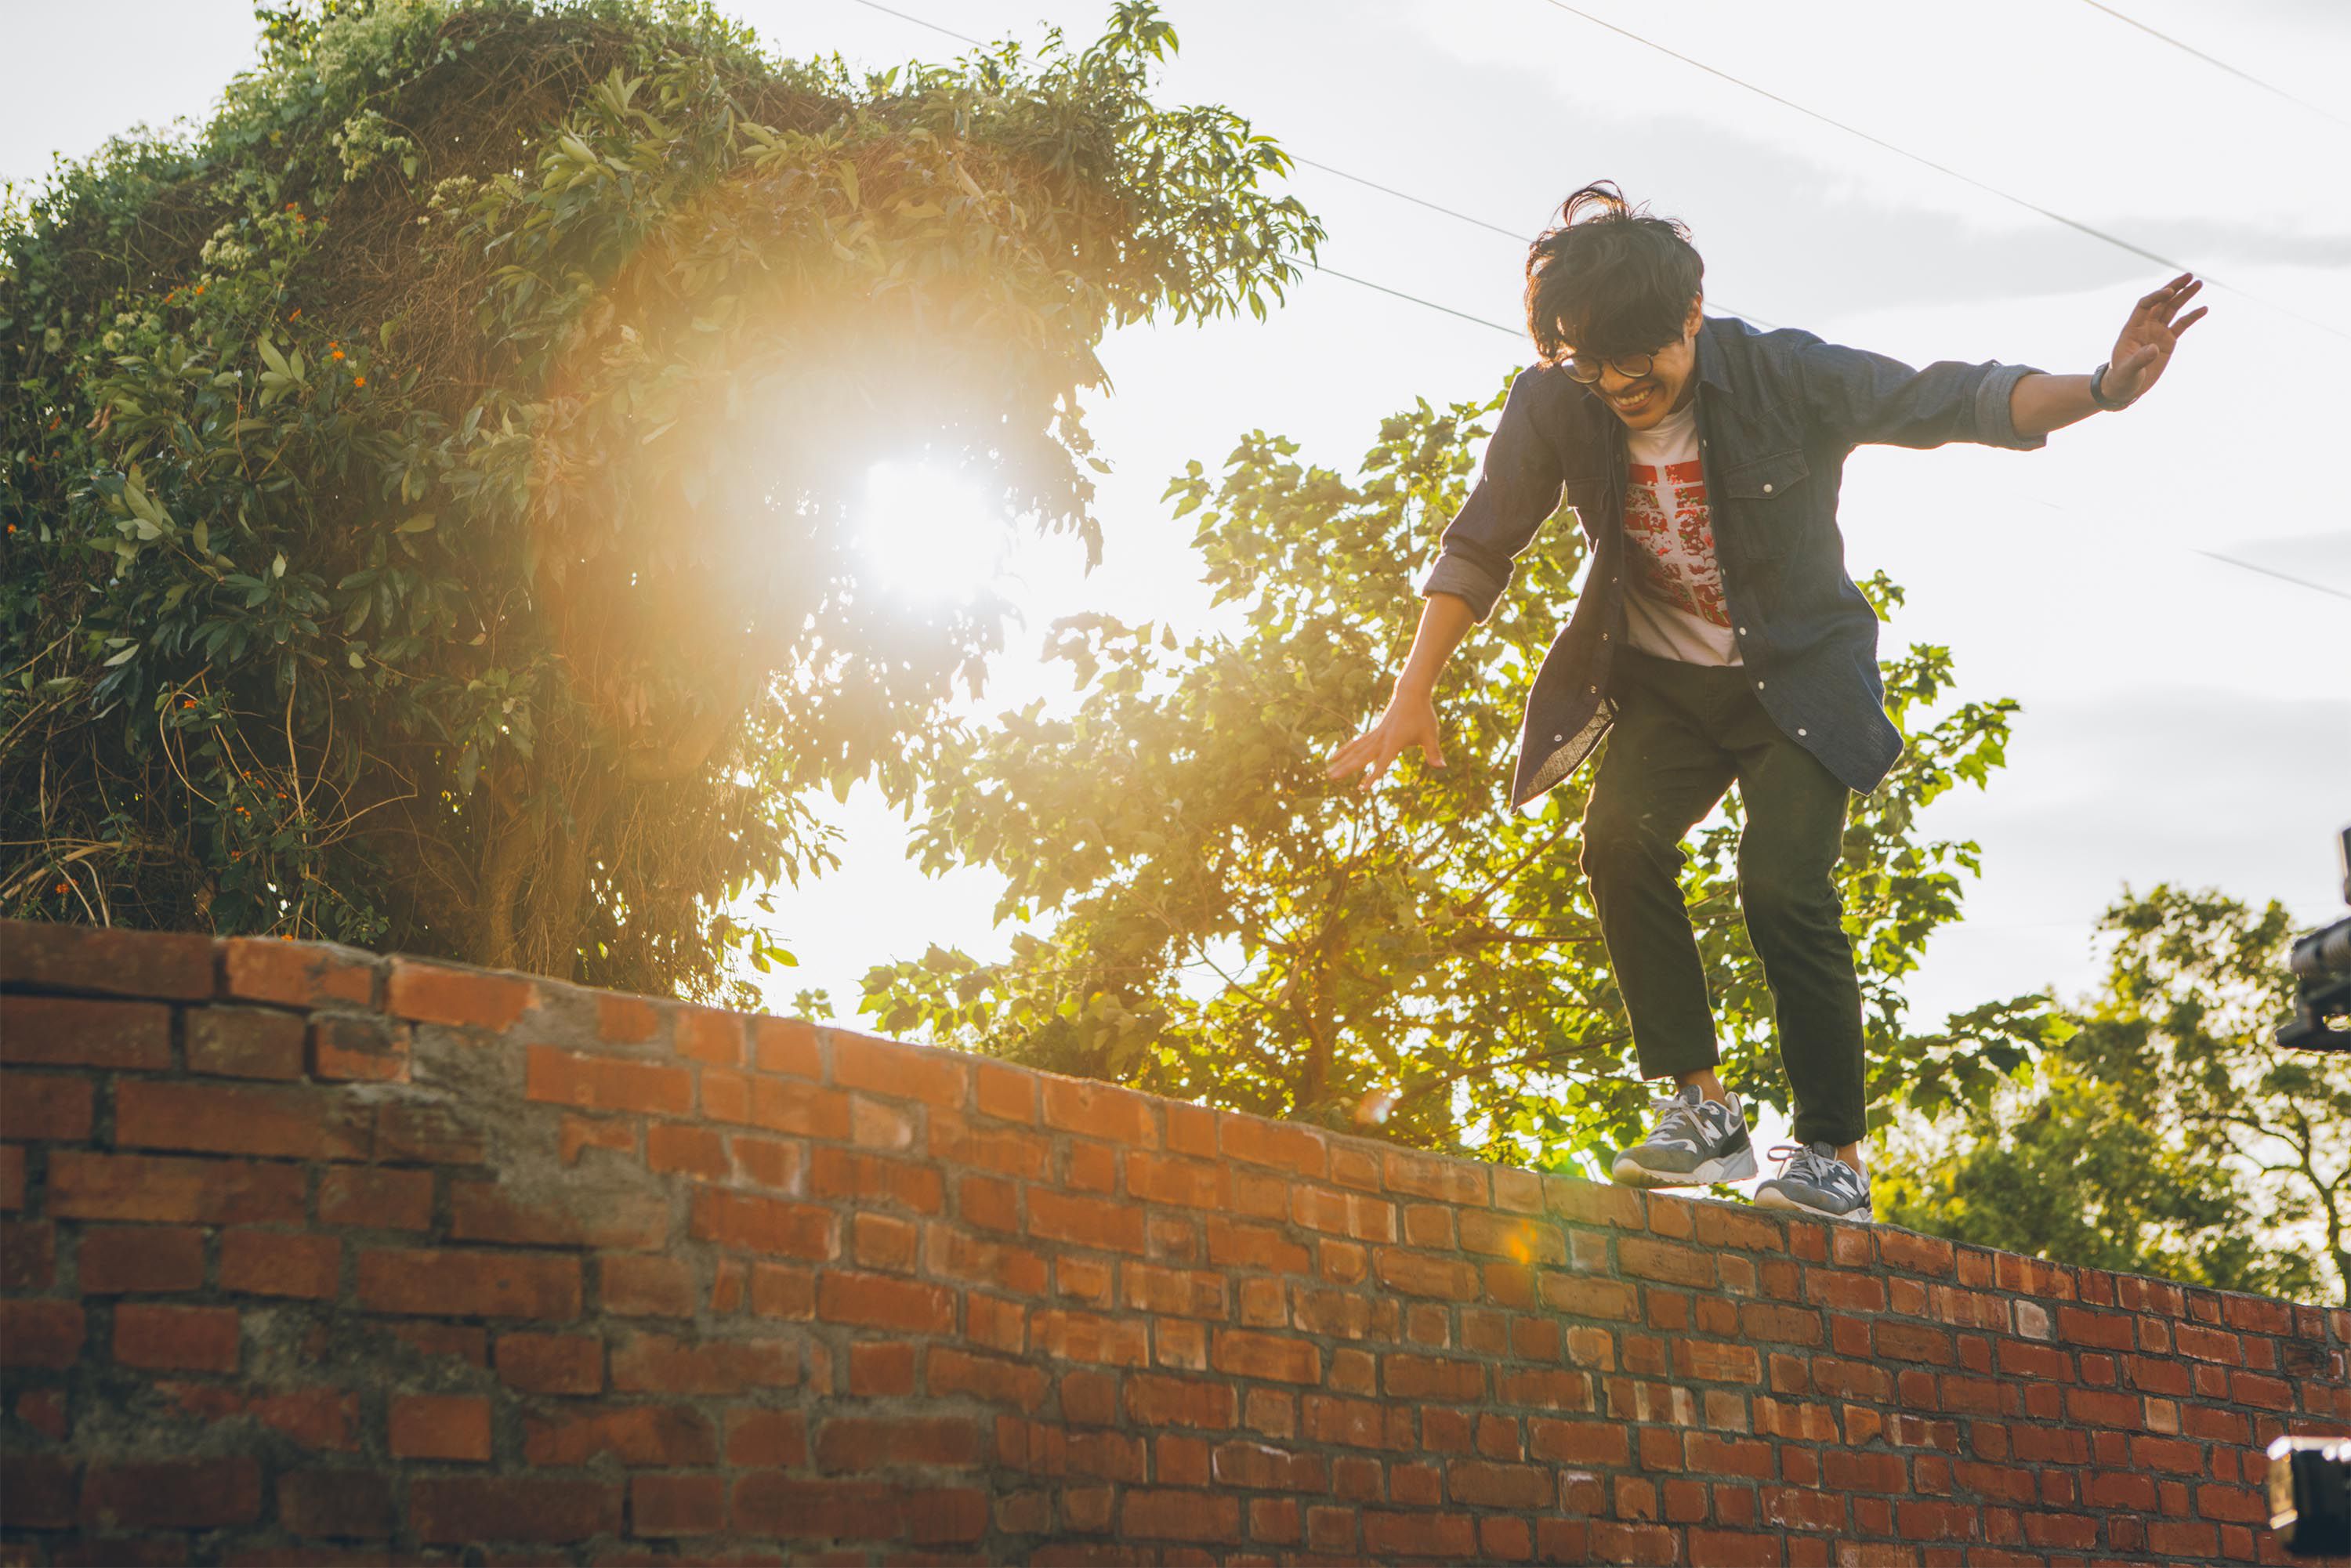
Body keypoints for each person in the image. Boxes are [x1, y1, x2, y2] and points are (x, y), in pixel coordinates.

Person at [1324, 182, 2204, 1222]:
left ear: (1689, 315)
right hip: (1667, 690)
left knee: (1782, 887)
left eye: (1636, 358)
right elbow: (1482, 539)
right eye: (1588, 364)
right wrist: (1409, 692)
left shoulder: (1783, 375)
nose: (1616, 386)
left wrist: (2101, 387)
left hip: (1799, 682)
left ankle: (1832, 1154)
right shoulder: (1557, 400)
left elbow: (1949, 398)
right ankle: (1704, 1114)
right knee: (1616, 839)